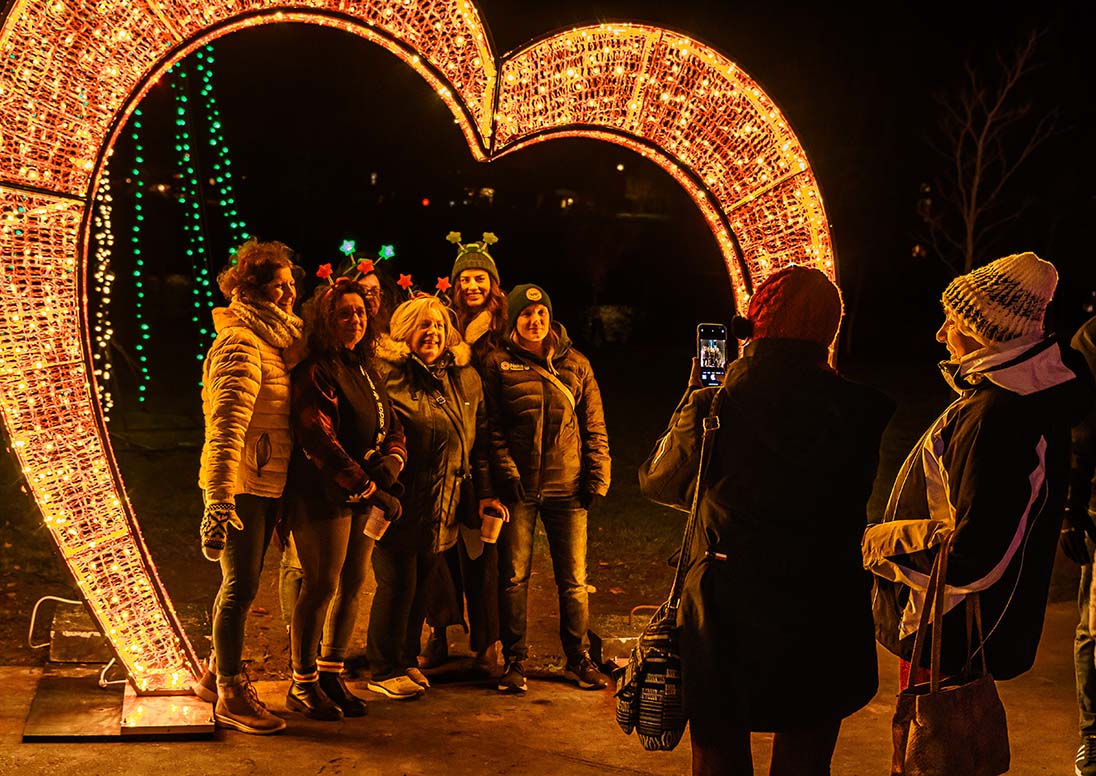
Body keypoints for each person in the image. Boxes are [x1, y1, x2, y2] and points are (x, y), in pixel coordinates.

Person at [640, 266, 894, 775]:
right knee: (806, 754)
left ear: (753, 324)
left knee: (719, 753)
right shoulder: (863, 408)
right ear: (829, 329)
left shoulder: (719, 400)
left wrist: (694, 398)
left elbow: (661, 483)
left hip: (727, 610)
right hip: (825, 607)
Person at [863, 252, 1093, 699]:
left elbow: (978, 551)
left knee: (933, 755)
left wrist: (882, 544)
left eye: (951, 321)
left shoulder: (1002, 415)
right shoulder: (1011, 399)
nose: (940, 334)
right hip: (951, 627)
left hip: (949, 629)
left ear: (982, 330)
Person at [367, 295, 506, 697]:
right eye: (423, 326)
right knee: (395, 583)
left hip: (445, 498)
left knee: (421, 585)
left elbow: (477, 442)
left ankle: (405, 659)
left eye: (439, 327)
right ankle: (382, 666)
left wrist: (482, 493)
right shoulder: (387, 375)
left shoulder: (463, 377)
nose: (432, 334)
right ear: (404, 332)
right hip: (400, 498)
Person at [283, 278, 407, 720]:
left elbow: (392, 424)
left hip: (364, 493)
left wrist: (392, 463)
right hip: (324, 495)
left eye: (360, 312)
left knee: (355, 582)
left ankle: (331, 669)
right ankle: (302, 682)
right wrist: (367, 485)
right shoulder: (316, 369)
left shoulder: (365, 367)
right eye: (343, 313)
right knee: (321, 584)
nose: (354, 319)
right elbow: (317, 435)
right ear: (325, 320)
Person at [193, 237, 303, 734]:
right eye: (281, 285)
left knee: (241, 584)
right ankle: (231, 695)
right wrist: (218, 500)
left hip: (264, 478)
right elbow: (226, 426)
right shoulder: (240, 342)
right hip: (243, 483)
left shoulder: (271, 338)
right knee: (239, 588)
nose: (290, 292)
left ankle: (213, 676)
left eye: (291, 283)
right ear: (255, 290)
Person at [482, 283, 611, 693]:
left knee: (573, 579)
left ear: (549, 318)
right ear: (514, 320)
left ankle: (579, 659)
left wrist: (597, 477)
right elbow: (492, 428)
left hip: (567, 487)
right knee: (513, 577)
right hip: (518, 490)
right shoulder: (498, 365)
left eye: (540, 315)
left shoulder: (576, 364)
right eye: (525, 315)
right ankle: (515, 661)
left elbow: (595, 427)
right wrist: (507, 473)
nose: (534, 321)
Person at [421, 231, 508, 671]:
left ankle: (488, 642)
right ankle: (439, 630)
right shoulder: (445, 327)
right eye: (466, 279)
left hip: (484, 453)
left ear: (493, 285)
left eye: (481, 279)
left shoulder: (502, 334)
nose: (473, 287)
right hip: (448, 451)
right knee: (440, 552)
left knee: (484, 552)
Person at [1061, 312, 1096, 776]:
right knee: (1095, 623)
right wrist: (1072, 507)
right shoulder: (1093, 338)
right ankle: (1093, 731)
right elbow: (1082, 426)